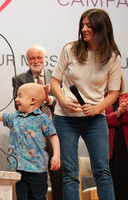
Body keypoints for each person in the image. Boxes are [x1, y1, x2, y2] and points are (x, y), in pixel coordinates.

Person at [50, 8, 122, 200]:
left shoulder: (113, 57)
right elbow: (54, 82)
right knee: (70, 174)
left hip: (95, 119)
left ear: (101, 28)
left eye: (89, 25)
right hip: (65, 118)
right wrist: (63, 102)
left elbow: (114, 93)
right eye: (82, 25)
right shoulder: (70, 49)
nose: (83, 29)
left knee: (103, 171)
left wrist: (97, 108)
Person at [0, 83, 61, 200]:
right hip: (19, 169)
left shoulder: (42, 118)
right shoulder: (15, 117)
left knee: (38, 197)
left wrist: (56, 155)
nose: (16, 99)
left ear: (32, 100)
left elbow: (53, 136)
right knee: (21, 197)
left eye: (19, 96)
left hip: (37, 170)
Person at [12, 45, 63, 200]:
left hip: (53, 129)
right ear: (27, 60)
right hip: (30, 135)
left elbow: (62, 102)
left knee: (57, 174)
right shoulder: (19, 79)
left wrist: (49, 99)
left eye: (39, 57)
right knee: (31, 180)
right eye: (32, 58)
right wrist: (37, 99)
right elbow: (17, 105)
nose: (36, 61)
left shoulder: (55, 77)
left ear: (44, 58)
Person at [106, 76, 128, 200]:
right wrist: (117, 114)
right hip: (109, 146)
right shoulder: (101, 100)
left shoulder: (126, 97)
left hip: (124, 145)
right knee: (113, 181)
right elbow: (101, 121)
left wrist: (122, 112)